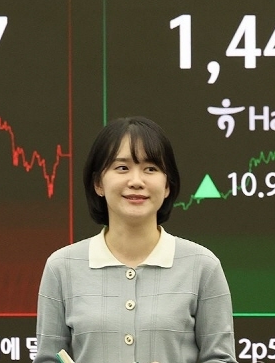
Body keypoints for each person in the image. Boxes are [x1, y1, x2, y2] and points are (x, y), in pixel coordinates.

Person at [34, 116, 238, 363]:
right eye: (122, 168)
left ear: (167, 185)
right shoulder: (62, 267)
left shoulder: (202, 266)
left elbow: (221, 358)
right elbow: (48, 357)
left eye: (150, 169)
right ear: (98, 183)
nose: (136, 181)